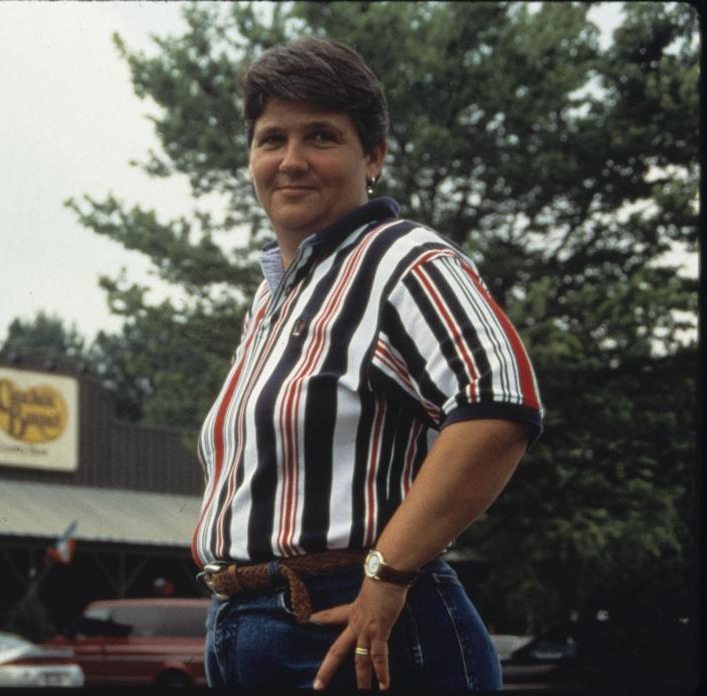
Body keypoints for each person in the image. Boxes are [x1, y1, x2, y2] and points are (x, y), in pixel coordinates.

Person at [192, 37, 543, 690]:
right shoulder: (273, 297)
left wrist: (387, 575)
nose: (291, 161)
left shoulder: (403, 257)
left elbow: (499, 404)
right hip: (246, 627)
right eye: (272, 140)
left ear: (372, 156)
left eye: (321, 136)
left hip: (358, 627)